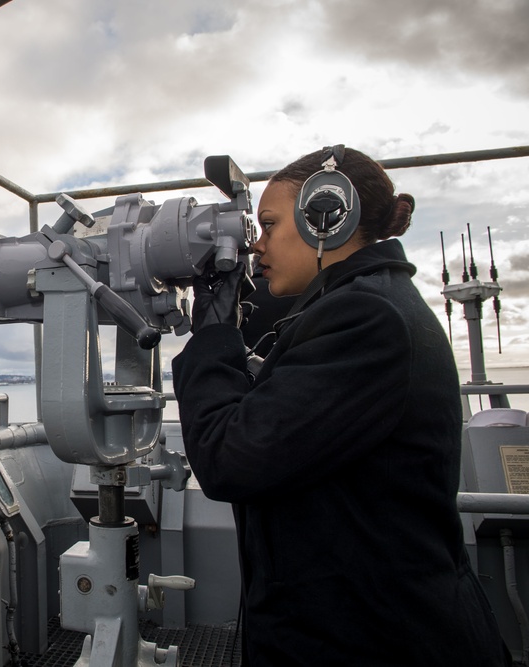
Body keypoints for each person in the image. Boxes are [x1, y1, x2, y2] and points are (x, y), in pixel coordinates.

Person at [172, 145, 510, 666]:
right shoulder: (368, 303)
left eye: (268, 225)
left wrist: (215, 333)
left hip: (374, 640)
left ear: (326, 216)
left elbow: (229, 458)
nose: (256, 247)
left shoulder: (365, 319)